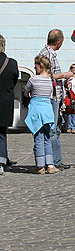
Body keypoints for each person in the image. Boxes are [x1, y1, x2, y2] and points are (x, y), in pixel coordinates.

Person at [39, 29, 73, 170]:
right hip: (50, 96)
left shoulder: (49, 53)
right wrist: (64, 75)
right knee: (52, 129)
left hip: (56, 95)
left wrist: (63, 83)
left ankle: (56, 160)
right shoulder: (46, 54)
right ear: (59, 42)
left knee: (56, 129)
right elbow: (45, 75)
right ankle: (52, 161)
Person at [24, 55, 58, 174]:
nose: (34, 67)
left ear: (41, 65)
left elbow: (25, 91)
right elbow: (51, 94)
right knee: (47, 137)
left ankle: (40, 166)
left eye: (36, 65)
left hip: (36, 109)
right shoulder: (50, 80)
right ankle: (50, 164)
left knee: (38, 137)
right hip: (47, 109)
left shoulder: (33, 79)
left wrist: (30, 94)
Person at [0, 34, 19, 176]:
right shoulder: (11, 63)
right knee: (2, 133)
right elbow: (14, 81)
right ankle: (1, 161)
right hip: (5, 103)